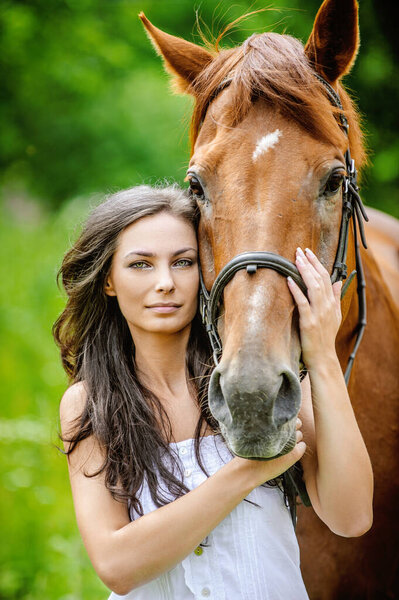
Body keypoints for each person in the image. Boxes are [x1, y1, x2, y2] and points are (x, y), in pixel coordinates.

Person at [54, 184, 373, 600]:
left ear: (205, 268)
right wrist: (249, 470)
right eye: (141, 265)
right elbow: (117, 566)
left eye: (183, 262)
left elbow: (351, 517)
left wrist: (322, 356)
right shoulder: (89, 403)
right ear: (108, 280)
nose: (166, 283)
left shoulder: (257, 382)